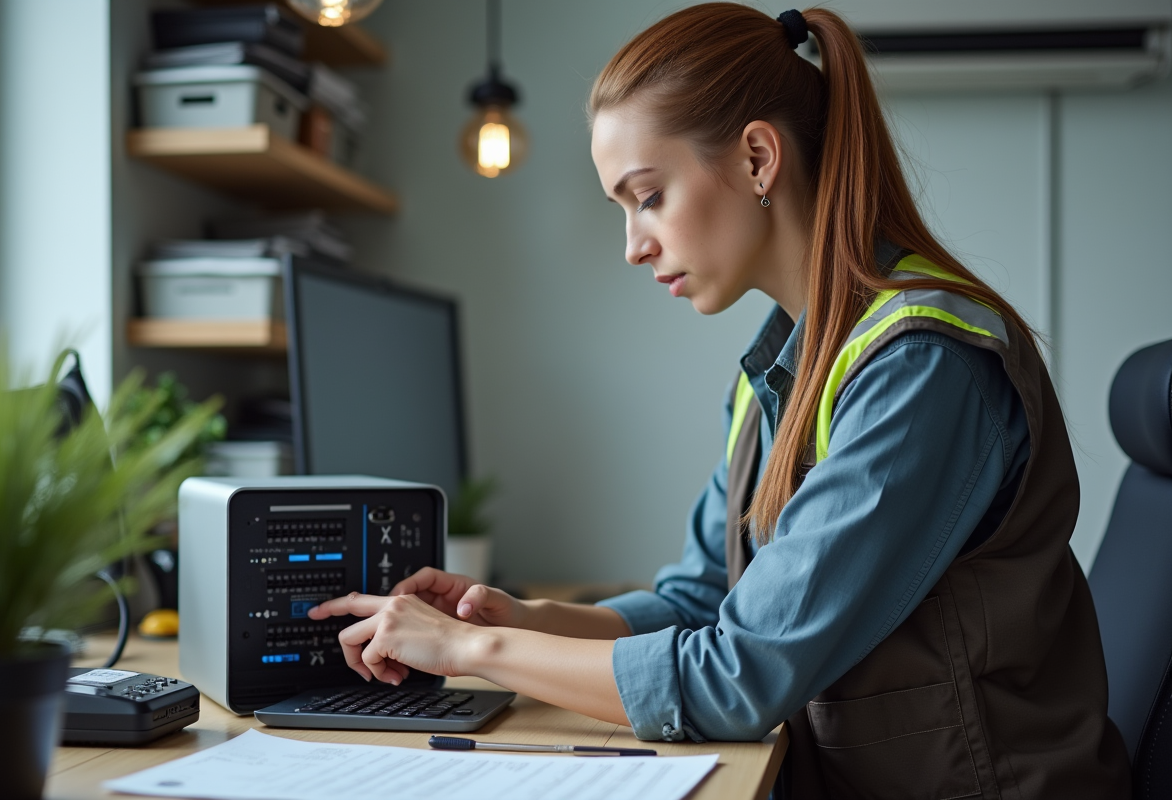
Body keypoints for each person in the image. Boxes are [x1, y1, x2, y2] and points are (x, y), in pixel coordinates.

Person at [309, 4, 1130, 796]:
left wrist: (472, 647)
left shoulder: (921, 366)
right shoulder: (778, 365)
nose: (633, 246)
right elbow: (699, 599)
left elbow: (736, 676)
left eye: (648, 196)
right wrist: (521, 618)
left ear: (757, 159)